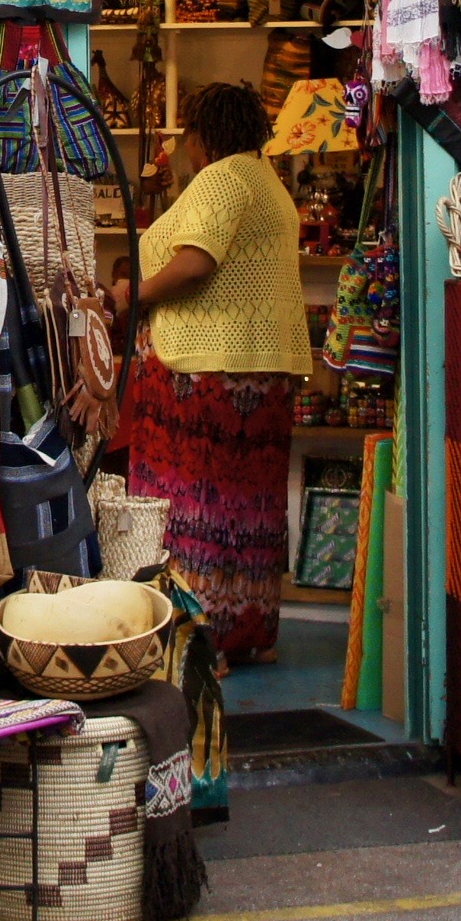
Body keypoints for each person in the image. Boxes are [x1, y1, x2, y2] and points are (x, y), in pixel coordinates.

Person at [113, 80, 314, 660]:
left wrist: (132, 295)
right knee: (245, 508)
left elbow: (197, 260)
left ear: (204, 137)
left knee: (191, 508)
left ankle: (196, 645)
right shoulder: (266, 182)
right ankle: (244, 633)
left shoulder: (223, 179)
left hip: (205, 373)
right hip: (261, 371)